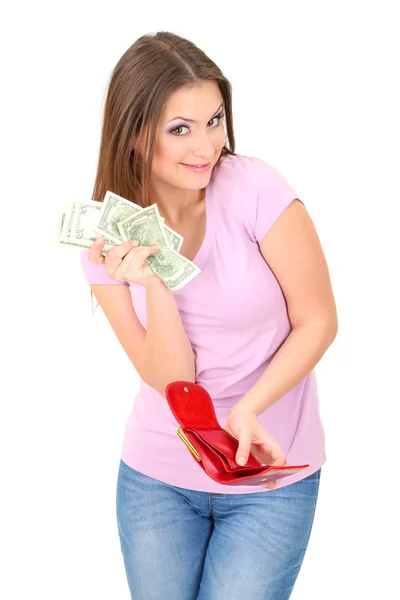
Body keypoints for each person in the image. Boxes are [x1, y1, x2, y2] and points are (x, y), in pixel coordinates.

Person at [80, 31, 338, 600]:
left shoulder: (255, 189)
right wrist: (154, 284)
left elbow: (318, 319)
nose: (207, 147)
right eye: (181, 129)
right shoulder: (105, 245)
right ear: (133, 133)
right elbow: (171, 380)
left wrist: (250, 407)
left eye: (214, 120)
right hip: (158, 477)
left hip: (269, 472)